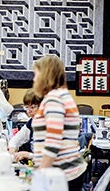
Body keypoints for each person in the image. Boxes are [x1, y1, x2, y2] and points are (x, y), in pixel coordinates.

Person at [31, 55, 87, 191]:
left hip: (61, 175)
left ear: (45, 75)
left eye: (36, 74)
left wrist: (40, 173)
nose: (34, 79)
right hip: (67, 172)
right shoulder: (62, 95)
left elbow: (53, 142)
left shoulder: (54, 99)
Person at [8, 88, 43, 163]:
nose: (28, 111)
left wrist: (28, 155)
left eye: (33, 107)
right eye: (26, 107)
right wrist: (12, 150)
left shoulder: (50, 125)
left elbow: (48, 159)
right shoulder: (31, 123)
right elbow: (15, 140)